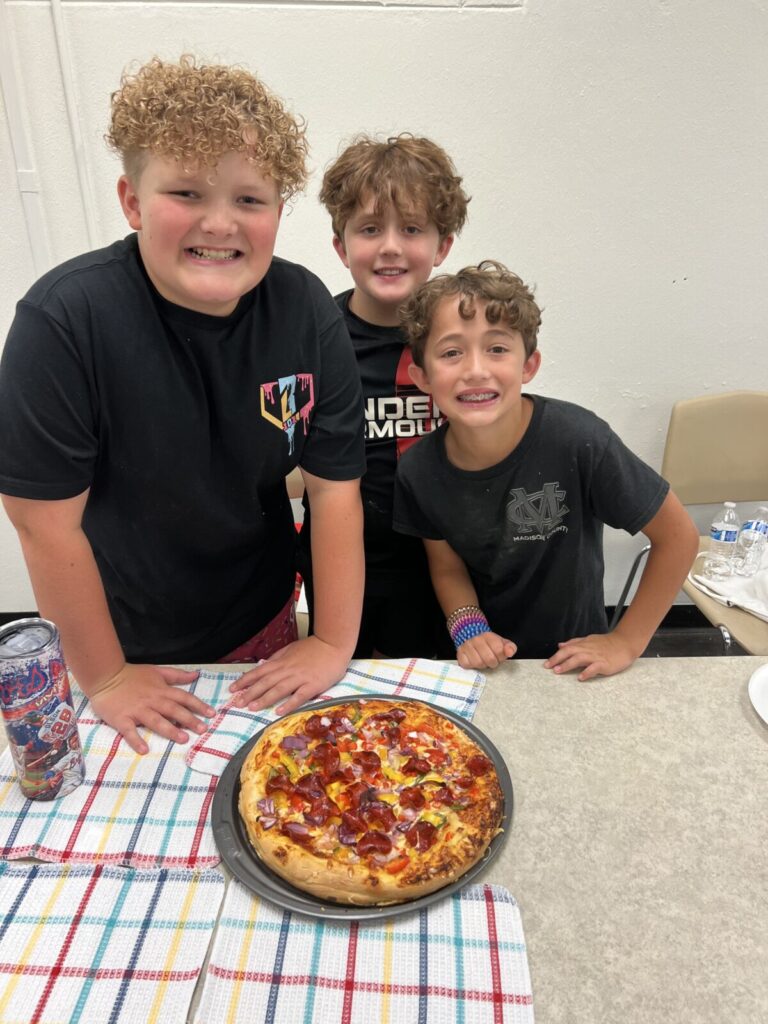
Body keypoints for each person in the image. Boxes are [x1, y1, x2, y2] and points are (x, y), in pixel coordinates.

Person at [0, 56, 365, 753]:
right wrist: (105, 678)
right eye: (187, 193)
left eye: (250, 200)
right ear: (132, 201)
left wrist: (331, 640)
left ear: (279, 213)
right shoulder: (65, 322)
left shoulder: (306, 312)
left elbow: (335, 491)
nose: (220, 222)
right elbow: (44, 527)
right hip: (119, 642)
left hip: (265, 623)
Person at [393, 261, 699, 678]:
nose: (476, 369)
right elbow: (446, 566)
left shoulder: (579, 440)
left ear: (528, 366)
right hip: (476, 665)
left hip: (571, 663)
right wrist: (469, 627)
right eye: (451, 352)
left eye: (497, 348)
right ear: (423, 377)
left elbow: (678, 537)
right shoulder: (417, 470)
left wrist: (627, 641)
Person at [298, 134, 469, 659]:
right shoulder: (311, 339)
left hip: (448, 566)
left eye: (412, 229)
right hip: (343, 562)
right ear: (341, 245)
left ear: (442, 246)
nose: (391, 246)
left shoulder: (468, 340)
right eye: (370, 229)